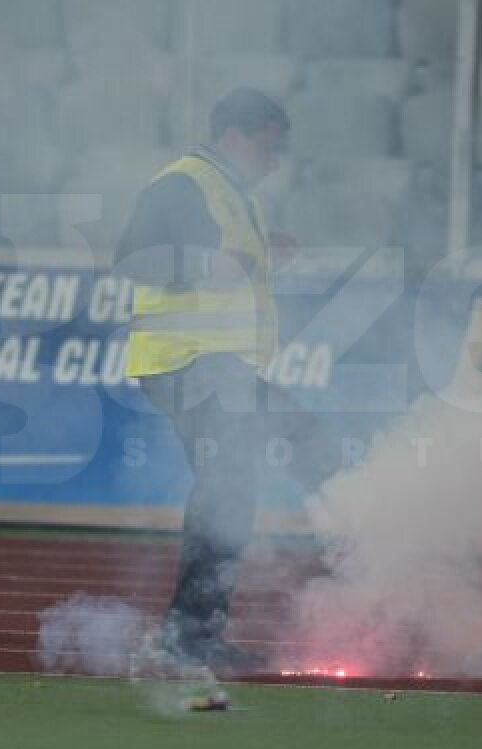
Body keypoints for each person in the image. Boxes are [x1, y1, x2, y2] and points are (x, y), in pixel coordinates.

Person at [116, 87, 341, 674]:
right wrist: (203, 264)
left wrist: (265, 254)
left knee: (233, 488)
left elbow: (225, 266)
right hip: (190, 360)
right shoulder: (186, 180)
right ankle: (188, 635)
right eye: (270, 144)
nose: (276, 159)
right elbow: (135, 256)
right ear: (235, 135)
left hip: (211, 364)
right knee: (292, 451)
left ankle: (190, 635)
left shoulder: (236, 197)